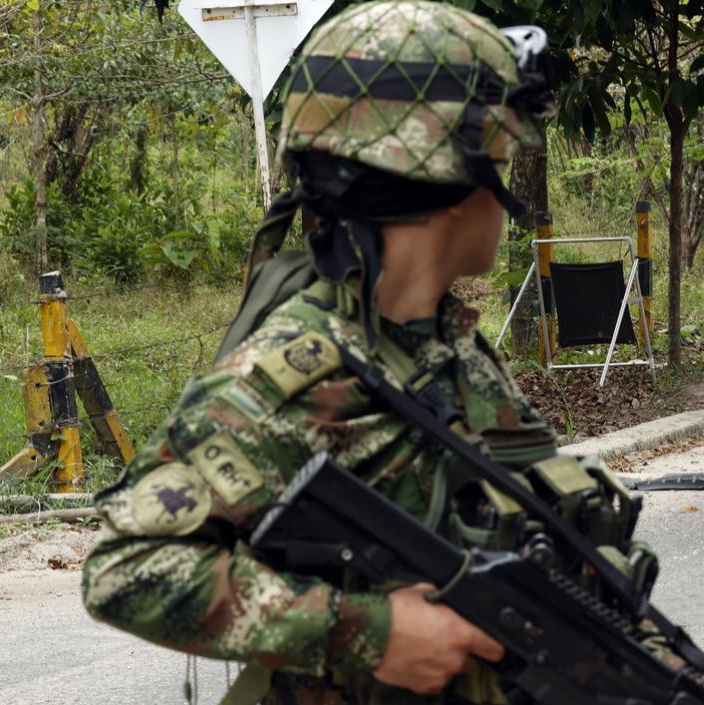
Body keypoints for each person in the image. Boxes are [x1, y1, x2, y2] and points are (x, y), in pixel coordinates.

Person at [82, 4, 656, 704]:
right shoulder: (295, 376)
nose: (507, 195)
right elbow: (126, 565)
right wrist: (370, 632)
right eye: (502, 162)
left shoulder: (448, 346)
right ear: (449, 176)